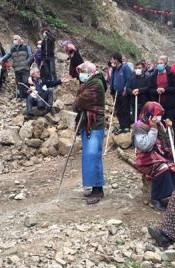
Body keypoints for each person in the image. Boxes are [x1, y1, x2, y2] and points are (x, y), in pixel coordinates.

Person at [133, 101, 175, 211]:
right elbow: (146, 146)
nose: (159, 117)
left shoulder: (159, 124)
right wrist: (153, 129)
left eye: (160, 114)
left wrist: (170, 129)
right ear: (149, 113)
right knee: (163, 168)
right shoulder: (139, 125)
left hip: (161, 154)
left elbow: (168, 144)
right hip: (146, 158)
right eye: (157, 114)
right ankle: (157, 198)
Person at [73, 61, 107, 205]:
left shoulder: (96, 85)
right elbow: (78, 103)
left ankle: (98, 190)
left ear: (90, 71)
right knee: (89, 156)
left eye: (82, 71)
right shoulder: (89, 84)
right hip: (88, 124)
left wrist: (78, 100)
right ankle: (95, 187)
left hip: (95, 124)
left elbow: (78, 103)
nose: (80, 74)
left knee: (93, 156)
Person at [149, 55, 175, 143]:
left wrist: (165, 89)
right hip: (158, 104)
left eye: (161, 63)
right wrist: (156, 90)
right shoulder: (153, 75)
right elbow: (150, 89)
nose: (159, 65)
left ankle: (172, 142)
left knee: (170, 122)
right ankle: (161, 142)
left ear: (165, 64)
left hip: (169, 104)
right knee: (159, 123)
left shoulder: (171, 74)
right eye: (158, 63)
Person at [0, 35, 33, 99]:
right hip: (16, 69)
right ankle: (22, 97)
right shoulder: (12, 49)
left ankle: (27, 97)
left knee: (25, 82)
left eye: (15, 39)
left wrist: (27, 63)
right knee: (19, 83)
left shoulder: (26, 47)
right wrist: (1, 60)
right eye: (13, 39)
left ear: (19, 40)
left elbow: (30, 56)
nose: (14, 41)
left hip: (25, 68)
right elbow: (7, 55)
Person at [110, 52, 133, 134]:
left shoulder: (125, 68)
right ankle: (121, 125)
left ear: (116, 59)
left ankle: (126, 126)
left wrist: (125, 89)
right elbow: (112, 80)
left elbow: (129, 79)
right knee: (118, 110)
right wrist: (111, 90)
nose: (111, 61)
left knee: (125, 109)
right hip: (116, 93)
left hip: (124, 93)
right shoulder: (114, 69)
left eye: (112, 59)